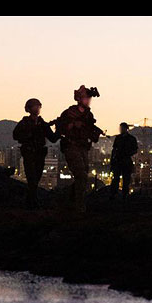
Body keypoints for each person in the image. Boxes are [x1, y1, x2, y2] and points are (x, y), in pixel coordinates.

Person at [53, 85, 102, 213]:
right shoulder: (69, 113)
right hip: (71, 147)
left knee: (83, 175)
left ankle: (71, 200)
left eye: (89, 98)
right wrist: (72, 125)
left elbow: (90, 129)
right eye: (86, 98)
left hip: (82, 148)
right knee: (81, 175)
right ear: (79, 99)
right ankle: (79, 205)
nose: (88, 101)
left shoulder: (88, 115)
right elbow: (61, 128)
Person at [12, 98, 59, 208]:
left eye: (38, 106)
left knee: (35, 179)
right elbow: (16, 135)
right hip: (29, 153)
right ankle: (32, 202)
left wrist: (59, 129)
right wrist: (29, 135)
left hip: (39, 154)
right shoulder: (24, 123)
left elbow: (53, 138)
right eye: (35, 106)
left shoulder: (42, 124)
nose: (37, 108)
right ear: (29, 108)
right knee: (31, 179)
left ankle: (31, 201)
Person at [109, 122, 138, 201]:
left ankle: (124, 195)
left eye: (122, 128)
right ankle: (114, 194)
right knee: (116, 178)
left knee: (126, 179)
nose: (121, 130)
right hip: (119, 160)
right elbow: (114, 150)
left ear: (126, 129)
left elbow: (135, 150)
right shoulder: (119, 138)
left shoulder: (131, 139)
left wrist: (126, 153)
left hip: (125, 160)